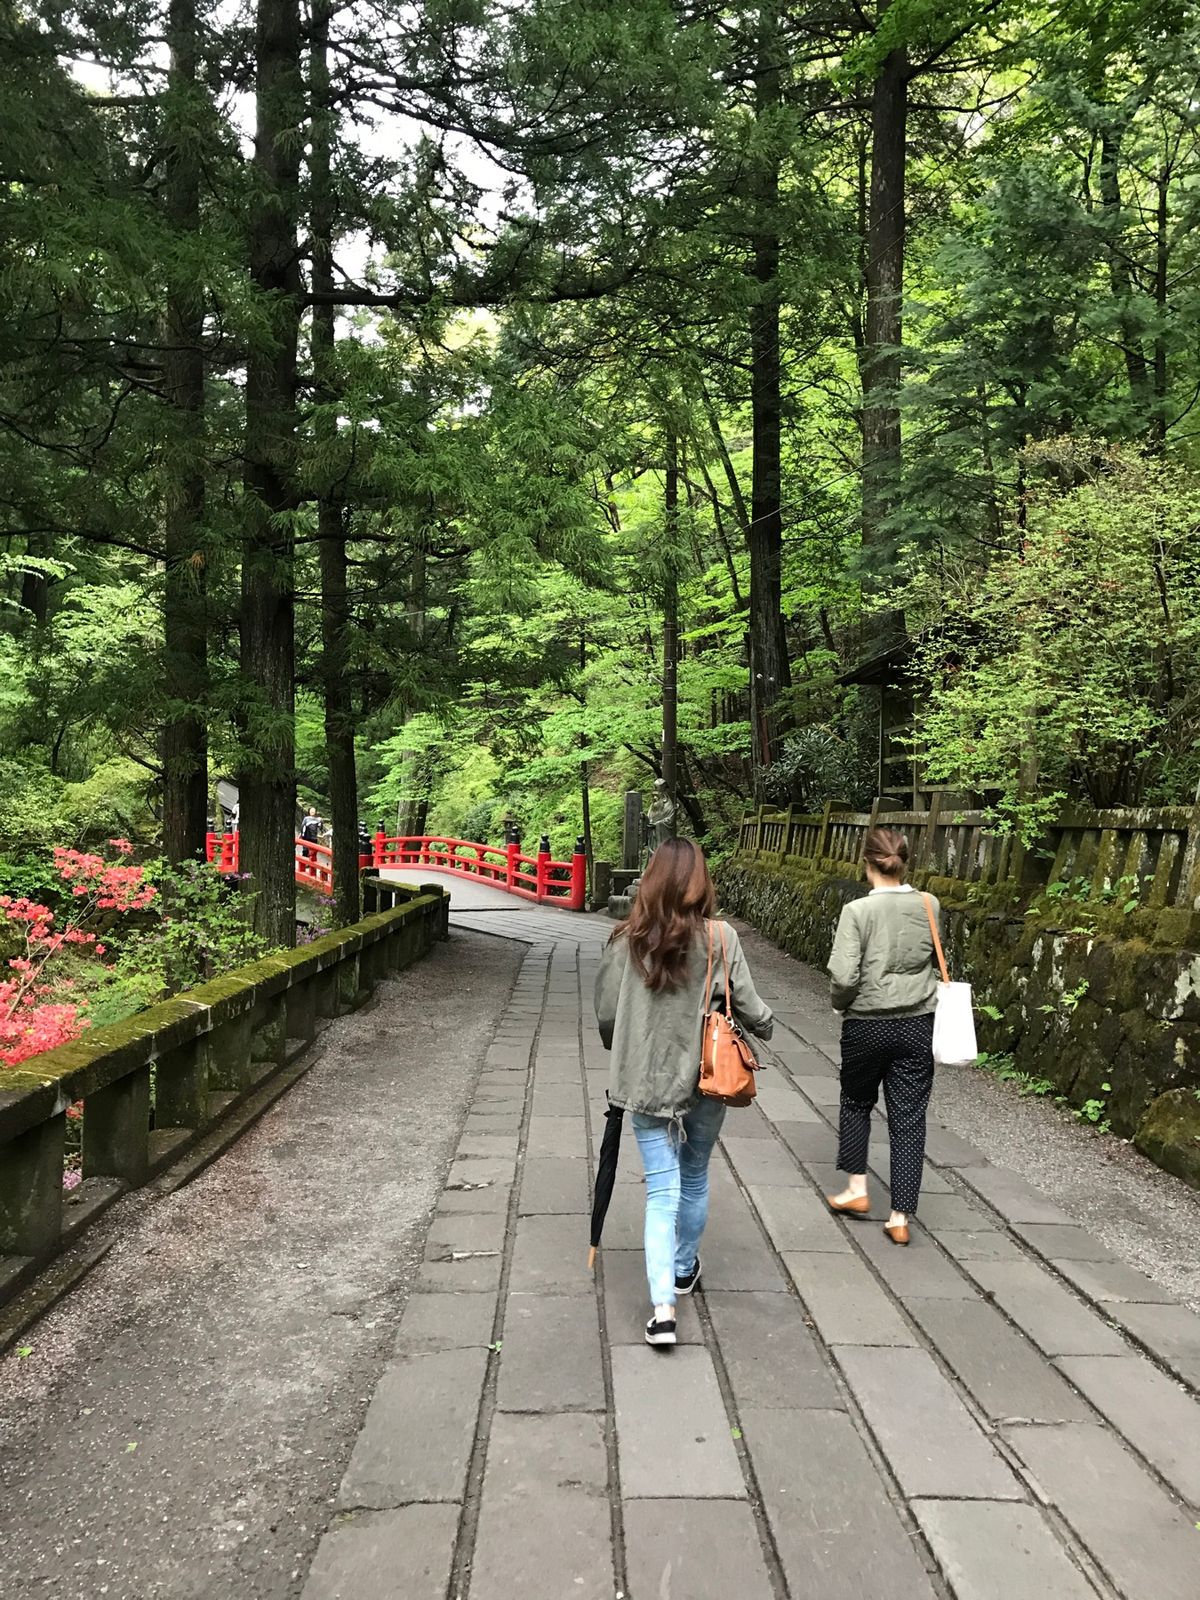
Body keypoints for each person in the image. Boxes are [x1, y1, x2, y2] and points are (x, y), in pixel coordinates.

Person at [595, 838, 773, 1347]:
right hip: (706, 1076)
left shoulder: (626, 939)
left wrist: (623, 1042)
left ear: (650, 881)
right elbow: (748, 1004)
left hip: (645, 1077)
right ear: (701, 883)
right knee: (693, 1175)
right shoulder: (721, 937)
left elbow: (607, 1015)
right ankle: (681, 1268)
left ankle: (662, 1311)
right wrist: (767, 1025)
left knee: (661, 1190)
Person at [826, 827, 941, 1246]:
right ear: (904, 862)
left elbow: (843, 976)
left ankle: (857, 1188)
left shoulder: (857, 911)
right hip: (917, 1022)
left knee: (856, 1102)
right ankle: (900, 1216)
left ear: (867, 862)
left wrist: (840, 1003)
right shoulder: (929, 904)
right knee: (909, 1117)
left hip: (867, 1023)